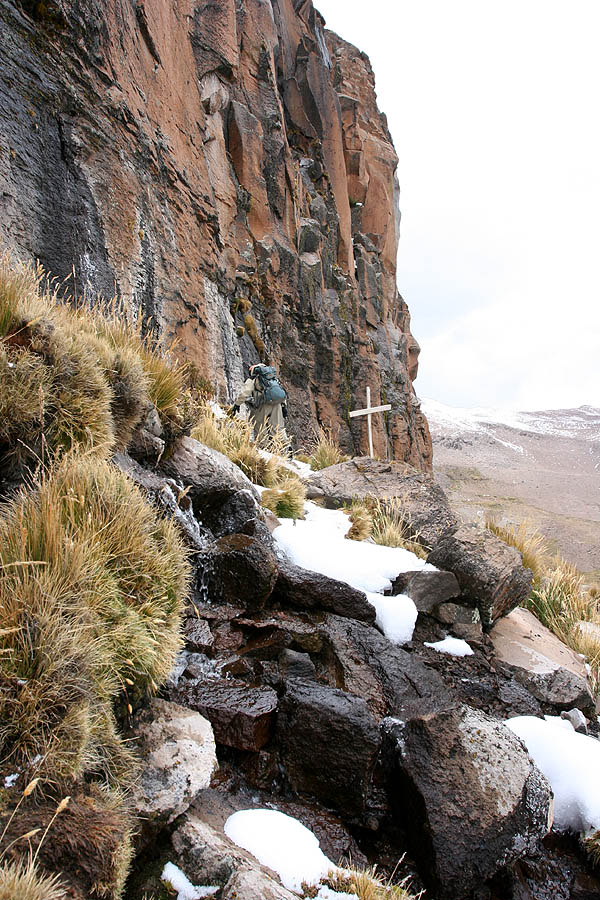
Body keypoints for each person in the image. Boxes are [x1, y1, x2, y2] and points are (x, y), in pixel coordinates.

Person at [233, 363, 290, 449]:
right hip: (277, 404)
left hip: (262, 405)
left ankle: (264, 448)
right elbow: (280, 391)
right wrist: (283, 406)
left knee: (260, 428)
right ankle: (286, 447)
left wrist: (237, 404)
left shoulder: (254, 378)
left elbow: (246, 392)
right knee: (278, 428)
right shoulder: (273, 378)